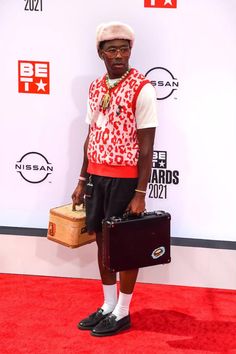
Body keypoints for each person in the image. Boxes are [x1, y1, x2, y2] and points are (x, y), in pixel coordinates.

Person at [72, 21, 158, 337]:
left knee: (125, 246)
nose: (119, 55)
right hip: (97, 176)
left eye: (124, 49)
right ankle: (108, 305)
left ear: (130, 51)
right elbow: (91, 134)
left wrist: (140, 192)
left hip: (125, 181)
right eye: (112, 50)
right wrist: (82, 179)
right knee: (101, 241)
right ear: (101, 53)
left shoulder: (142, 87)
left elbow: (147, 147)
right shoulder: (95, 87)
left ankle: (123, 311)